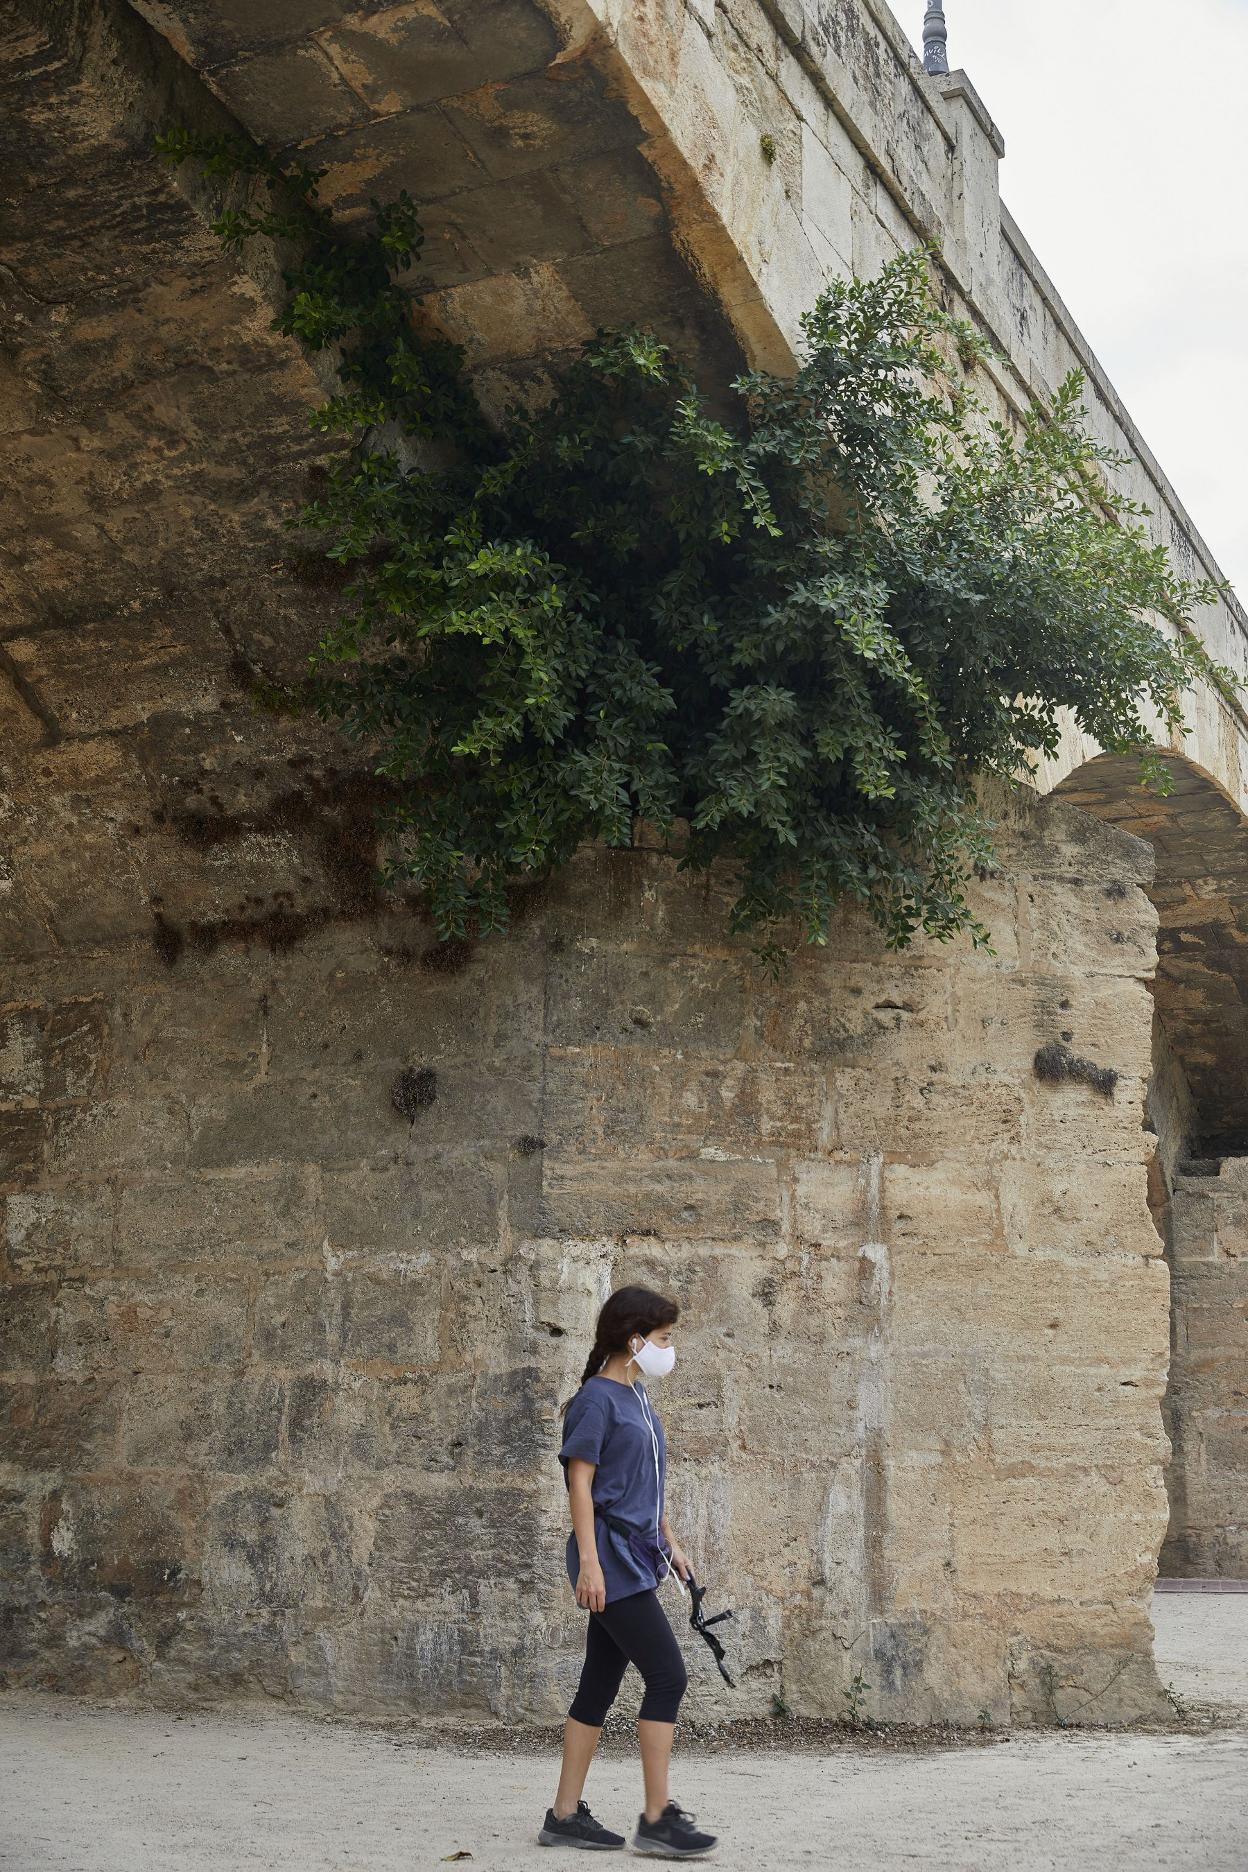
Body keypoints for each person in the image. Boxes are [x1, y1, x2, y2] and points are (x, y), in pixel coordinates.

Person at [538, 1285, 719, 1858]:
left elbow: (647, 1477)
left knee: (599, 1682)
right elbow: (581, 1484)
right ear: (634, 1339)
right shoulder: (595, 1400)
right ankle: (658, 1818)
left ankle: (564, 1816)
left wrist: (671, 1542)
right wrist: (589, 1564)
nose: (669, 1349)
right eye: (664, 1339)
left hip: (637, 1557)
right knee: (668, 1677)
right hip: (609, 1561)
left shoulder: (637, 1398)